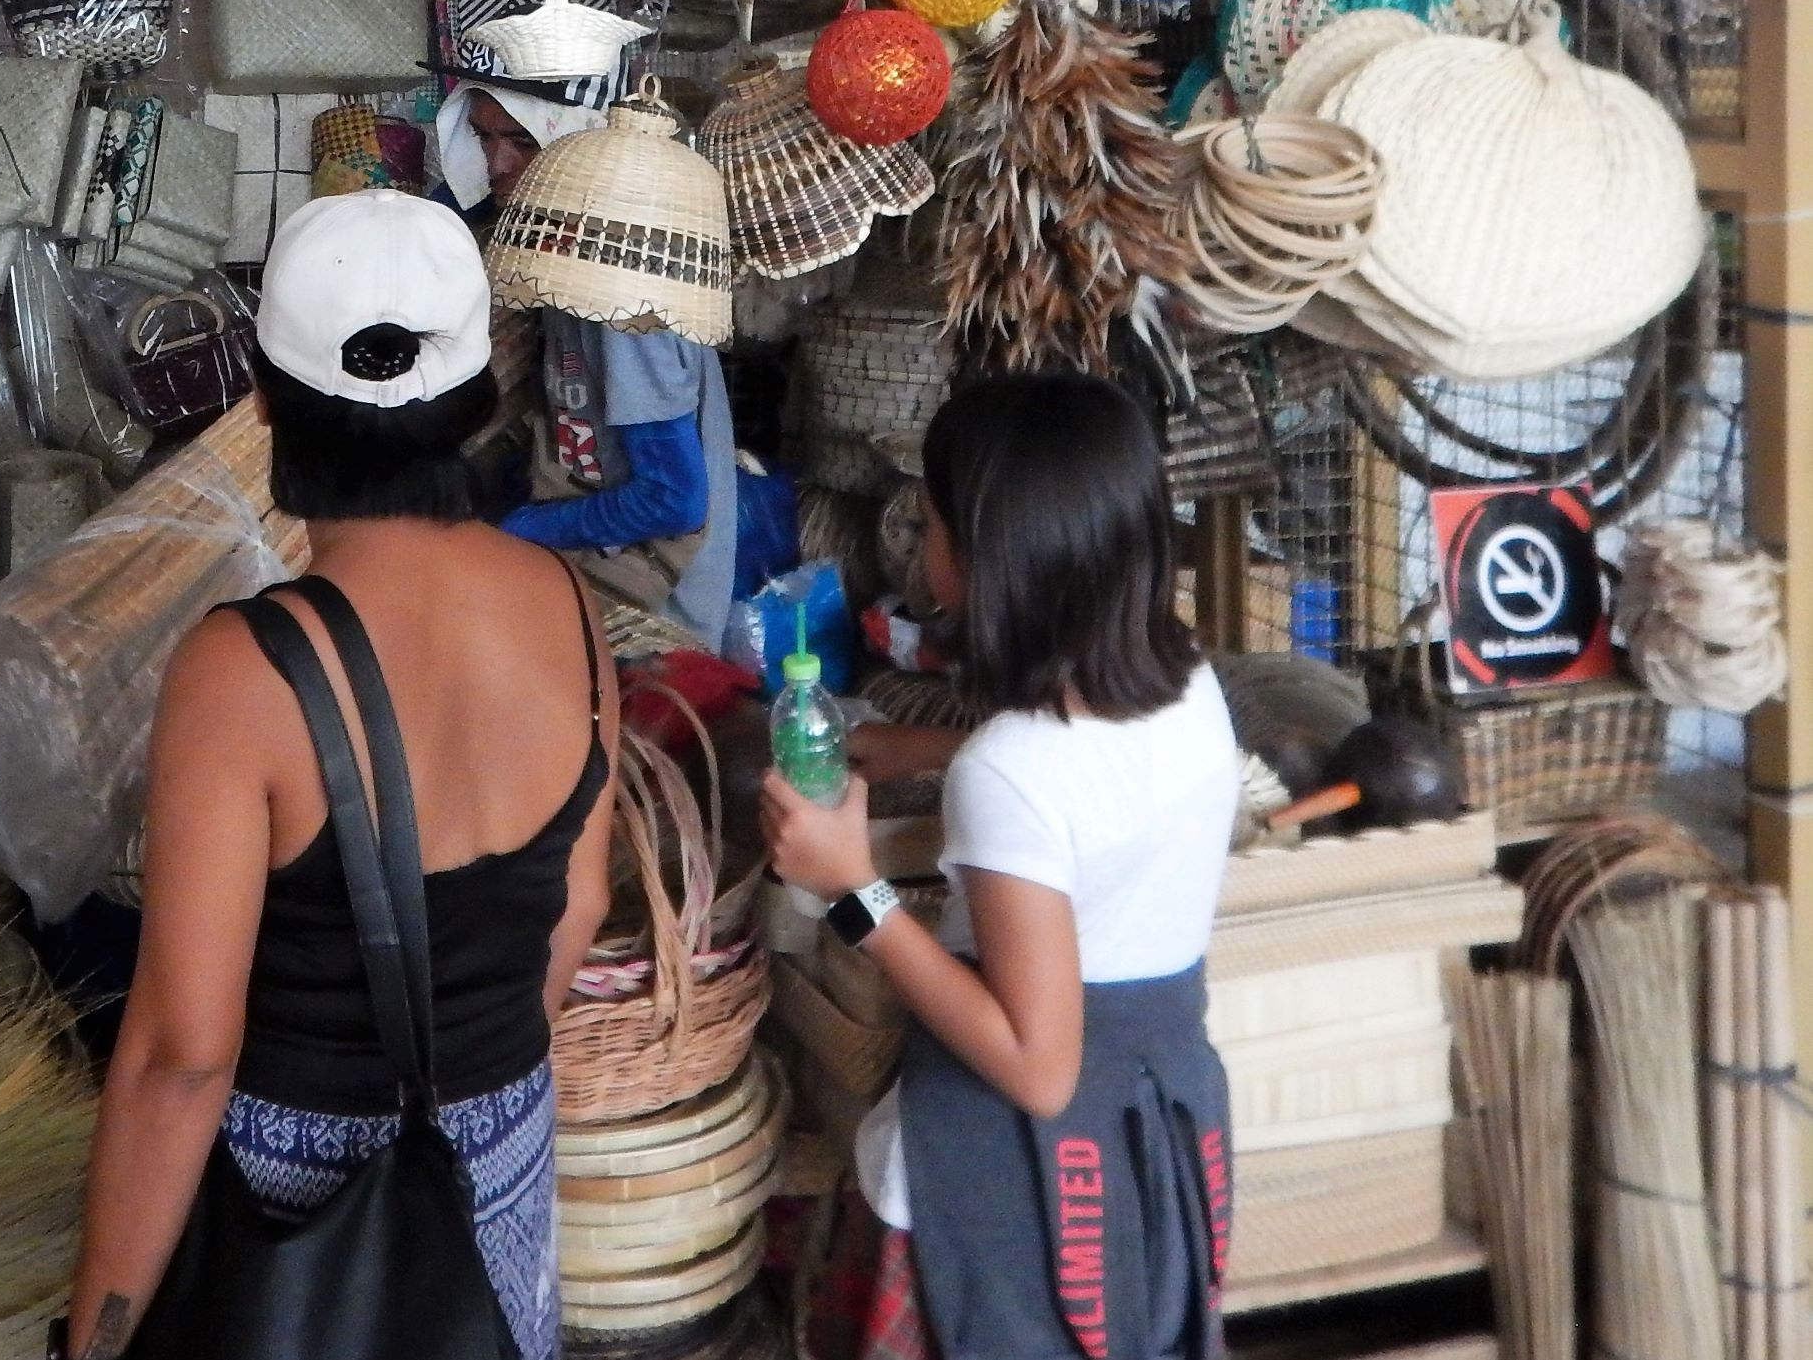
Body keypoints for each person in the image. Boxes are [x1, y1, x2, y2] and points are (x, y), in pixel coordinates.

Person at [61, 191, 619, 1360]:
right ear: (476, 399)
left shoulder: (242, 670)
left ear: (261, 400)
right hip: (500, 1168)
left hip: (293, 1219)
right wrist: (471, 1082)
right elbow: (580, 906)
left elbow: (182, 1057)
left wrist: (94, 1338)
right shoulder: (568, 611)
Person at [762, 372, 1239, 1360]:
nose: (921, 547)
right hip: (1155, 1135)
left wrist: (850, 885)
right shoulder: (1186, 676)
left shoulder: (1010, 777)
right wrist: (933, 752)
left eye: (931, 522)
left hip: (1010, 1187)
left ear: (985, 557)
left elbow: (1036, 1064)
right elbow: (1093, 791)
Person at [436, 77, 740, 650]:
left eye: (522, 144)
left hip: (655, 620)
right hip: (603, 566)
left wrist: (520, 531)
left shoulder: (623, 306)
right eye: (482, 138)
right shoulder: (565, 259)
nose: (496, 164)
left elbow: (674, 499)